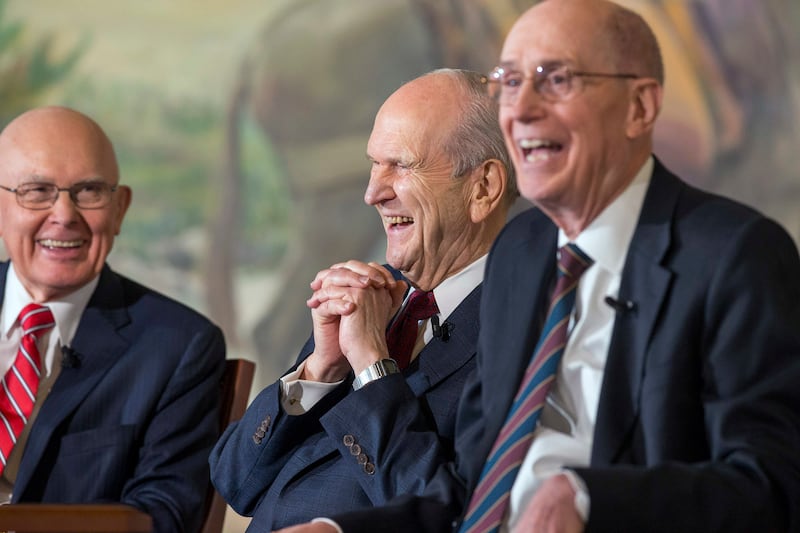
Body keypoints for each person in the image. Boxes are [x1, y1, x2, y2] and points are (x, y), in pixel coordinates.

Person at [278, 1, 800, 532]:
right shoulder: (521, 251)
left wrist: (588, 499)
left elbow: (771, 488)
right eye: (508, 81)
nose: (520, 109)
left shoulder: (735, 254)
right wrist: (341, 530)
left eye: (555, 80)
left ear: (639, 107)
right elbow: (469, 490)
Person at [208, 68, 517, 531]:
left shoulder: (520, 329)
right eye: (374, 164)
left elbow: (448, 514)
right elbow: (234, 481)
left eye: (402, 165)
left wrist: (372, 366)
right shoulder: (370, 298)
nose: (373, 193)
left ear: (483, 187)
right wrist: (319, 372)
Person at [0, 106, 226, 533]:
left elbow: (164, 516)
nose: (64, 215)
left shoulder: (178, 347)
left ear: (120, 208)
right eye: (37, 191)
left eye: (88, 191)